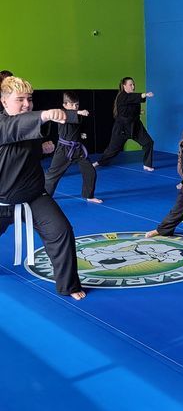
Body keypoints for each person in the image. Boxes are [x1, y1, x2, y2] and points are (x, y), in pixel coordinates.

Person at [0, 76, 86, 300]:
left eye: (29, 99)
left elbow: (24, 141)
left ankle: (68, 285)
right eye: (20, 99)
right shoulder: (3, 124)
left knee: (61, 231)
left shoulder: (29, 125)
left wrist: (43, 147)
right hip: (1, 201)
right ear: (3, 102)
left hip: (33, 196)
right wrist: (46, 114)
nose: (26, 104)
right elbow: (14, 128)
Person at [45, 91, 102, 204]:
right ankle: (44, 198)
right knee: (52, 176)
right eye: (71, 105)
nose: (75, 107)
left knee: (90, 172)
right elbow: (67, 117)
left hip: (78, 149)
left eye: (76, 105)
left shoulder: (77, 115)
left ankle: (89, 195)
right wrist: (79, 112)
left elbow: (77, 127)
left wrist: (82, 133)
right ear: (65, 105)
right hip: (64, 150)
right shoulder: (61, 114)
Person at [93, 77, 155, 171]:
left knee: (148, 142)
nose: (133, 86)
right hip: (121, 128)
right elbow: (132, 98)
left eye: (134, 84)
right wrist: (145, 94)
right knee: (113, 150)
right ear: (124, 86)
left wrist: (139, 112)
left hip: (135, 126)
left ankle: (147, 164)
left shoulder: (132, 96)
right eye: (130, 85)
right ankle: (100, 162)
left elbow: (133, 104)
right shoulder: (122, 96)